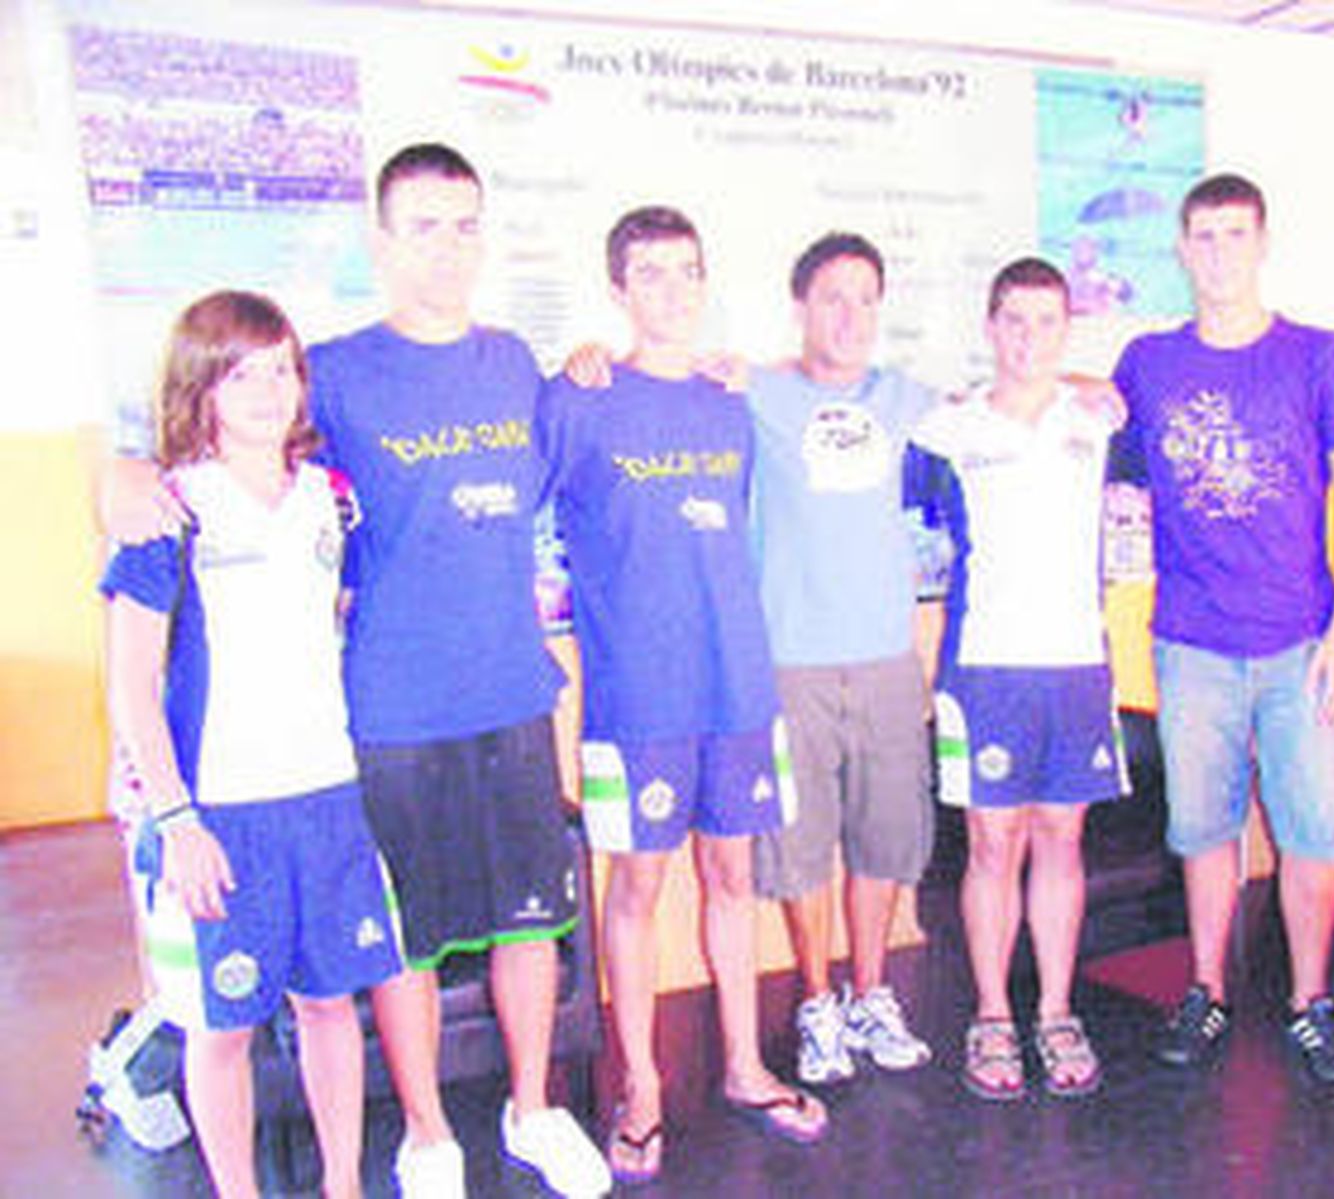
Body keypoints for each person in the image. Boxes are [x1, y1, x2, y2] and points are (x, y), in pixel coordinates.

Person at [99, 143, 612, 1199]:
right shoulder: (328, 367)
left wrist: (616, 366)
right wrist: (122, 468)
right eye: (423, 224)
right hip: (382, 714)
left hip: (511, 696)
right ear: (381, 241)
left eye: (466, 222)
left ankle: (532, 1107)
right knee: (404, 944)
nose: (448, 246)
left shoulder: (514, 360)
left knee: (530, 923)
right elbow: (191, 412)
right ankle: (427, 1132)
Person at [540, 206, 828, 1183]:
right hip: (637, 697)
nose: (671, 290)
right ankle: (643, 1085)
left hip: (736, 684)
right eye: (650, 273)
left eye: (686, 271)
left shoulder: (729, 398)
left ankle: (745, 1065)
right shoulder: (578, 397)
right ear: (618, 289)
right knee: (638, 887)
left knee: (734, 878)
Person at [102, 290, 401, 1199]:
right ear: (202, 387)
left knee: (328, 1005)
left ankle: (342, 1183)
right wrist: (178, 818)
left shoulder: (332, 500)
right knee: (221, 1027)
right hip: (216, 816)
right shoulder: (168, 514)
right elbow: (130, 686)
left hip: (325, 797)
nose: (269, 389)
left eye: (282, 367)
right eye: (242, 372)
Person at [1110, 173, 1334, 1088]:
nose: (1220, 251)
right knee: (1203, 831)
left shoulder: (1323, 357)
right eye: (1203, 236)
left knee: (1313, 834)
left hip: (1302, 642)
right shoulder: (1146, 363)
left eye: (1236, 234)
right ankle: (1207, 987)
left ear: (1263, 243)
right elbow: (1094, 434)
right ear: (1181, 251)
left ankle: (1311, 1003)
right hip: (1191, 643)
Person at [910, 258, 1127, 1101]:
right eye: (1014, 320)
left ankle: (1059, 1009)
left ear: (1066, 328)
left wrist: (1089, 382)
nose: (1029, 337)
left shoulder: (1102, 421)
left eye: (1047, 321)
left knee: (1062, 840)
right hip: (985, 669)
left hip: (1077, 666)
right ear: (990, 327)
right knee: (992, 844)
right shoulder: (946, 431)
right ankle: (995, 1013)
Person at [744, 233, 938, 1086]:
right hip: (793, 663)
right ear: (800, 307)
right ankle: (818, 1000)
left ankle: (871, 992)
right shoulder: (754, 393)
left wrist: (1093, 389)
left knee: (887, 838)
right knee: (799, 845)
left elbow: (1012, 400)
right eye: (833, 297)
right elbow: (655, 377)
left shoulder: (907, 397)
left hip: (889, 658)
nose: (851, 315)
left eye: (866, 298)